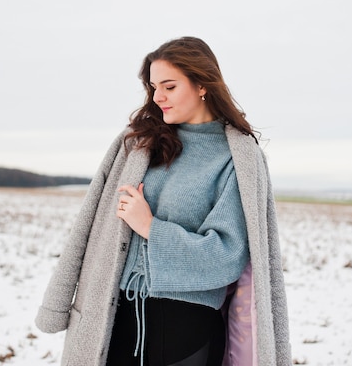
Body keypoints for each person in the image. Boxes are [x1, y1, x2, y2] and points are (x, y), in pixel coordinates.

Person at [35, 36, 291, 366]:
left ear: (202, 84)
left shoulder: (237, 158)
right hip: (113, 318)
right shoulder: (137, 144)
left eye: (169, 86)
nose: (158, 97)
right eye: (154, 87)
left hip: (187, 329)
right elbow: (85, 227)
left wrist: (151, 228)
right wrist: (57, 302)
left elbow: (227, 254)